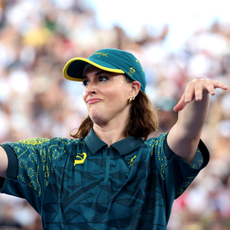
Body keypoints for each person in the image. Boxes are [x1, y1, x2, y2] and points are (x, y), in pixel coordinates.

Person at [0, 48, 228, 230]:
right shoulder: (53, 155)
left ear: (133, 89)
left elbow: (187, 133)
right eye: (86, 82)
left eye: (103, 78)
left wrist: (199, 92)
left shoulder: (155, 157)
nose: (89, 89)